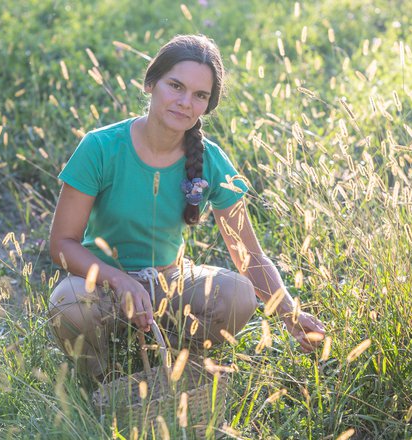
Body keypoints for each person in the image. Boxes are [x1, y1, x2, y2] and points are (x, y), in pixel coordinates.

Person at [47, 34, 325, 384]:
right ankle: (103, 380)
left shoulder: (211, 161)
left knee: (239, 294)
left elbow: (249, 255)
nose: (184, 103)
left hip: (170, 285)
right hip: (101, 285)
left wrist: (290, 313)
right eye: (175, 86)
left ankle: (180, 365)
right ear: (151, 84)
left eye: (199, 95)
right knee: (69, 305)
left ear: (208, 106)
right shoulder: (100, 147)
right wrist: (118, 280)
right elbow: (62, 244)